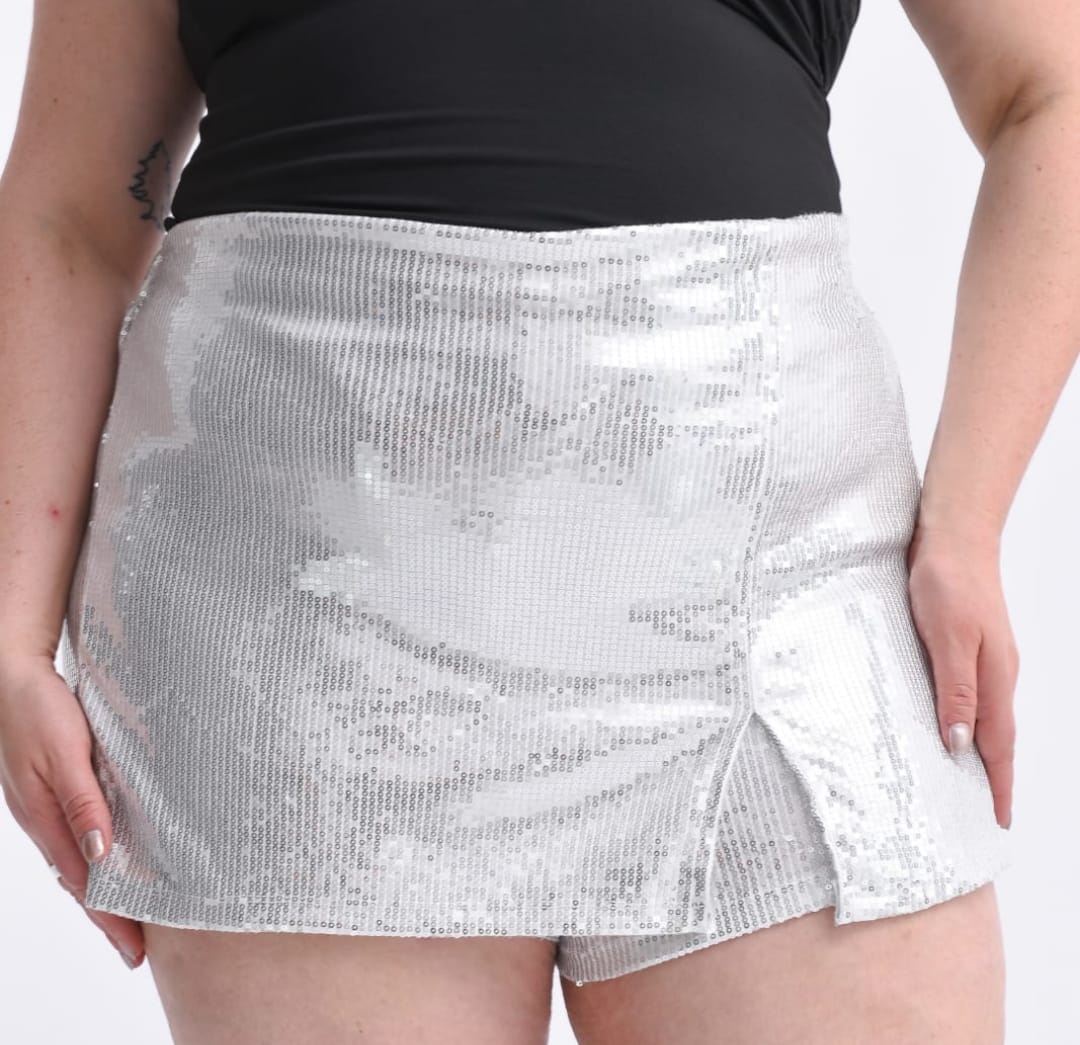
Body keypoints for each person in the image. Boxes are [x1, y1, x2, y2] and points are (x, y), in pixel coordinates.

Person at [0, 0, 1072, 1041]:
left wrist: (968, 525)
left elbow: (1053, 88)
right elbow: (71, 212)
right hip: (293, 607)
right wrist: (9, 629)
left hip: (772, 581)